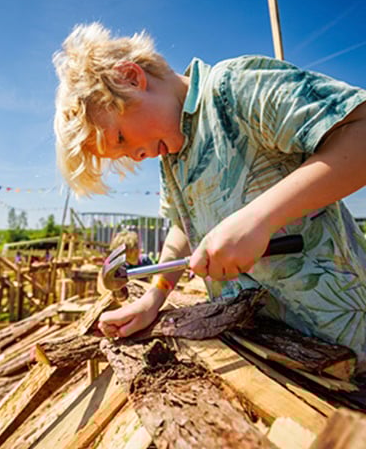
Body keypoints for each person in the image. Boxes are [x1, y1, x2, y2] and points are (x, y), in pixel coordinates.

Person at [52, 22, 366, 372]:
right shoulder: (171, 154)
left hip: (348, 344)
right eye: (123, 155)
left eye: (122, 139)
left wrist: (259, 218)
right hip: (271, 351)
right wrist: (154, 298)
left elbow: (361, 131)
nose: (136, 156)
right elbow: (183, 227)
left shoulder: (235, 88)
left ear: (131, 78)